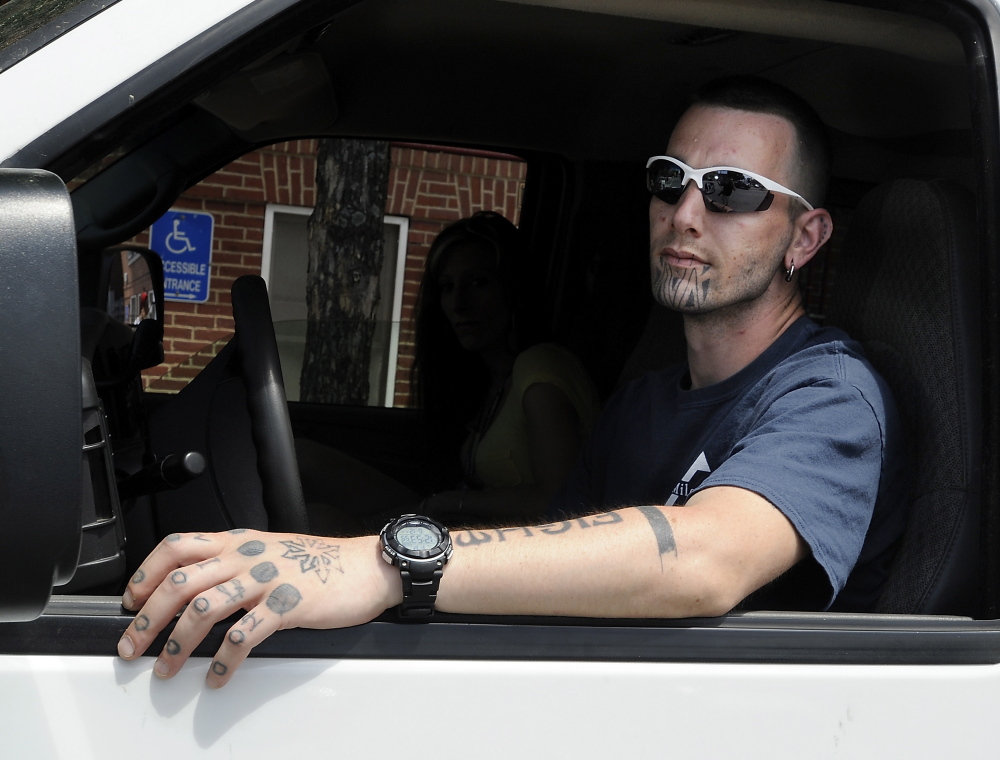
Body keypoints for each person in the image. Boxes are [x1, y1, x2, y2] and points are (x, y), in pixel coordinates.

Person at [116, 76, 906, 686]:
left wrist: (387, 563)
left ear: (805, 237)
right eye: (670, 179)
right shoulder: (644, 402)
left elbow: (707, 561)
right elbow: (552, 549)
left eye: (732, 189)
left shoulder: (831, 396)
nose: (686, 213)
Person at [296, 211, 601, 532]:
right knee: (301, 459)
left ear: (514, 288)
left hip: (511, 546)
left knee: (320, 520)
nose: (458, 303)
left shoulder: (540, 367)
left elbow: (559, 500)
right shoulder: (494, 379)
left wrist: (454, 503)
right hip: (464, 524)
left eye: (479, 282)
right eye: (447, 287)